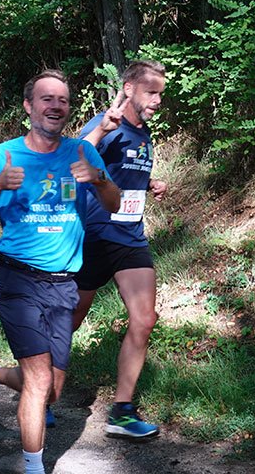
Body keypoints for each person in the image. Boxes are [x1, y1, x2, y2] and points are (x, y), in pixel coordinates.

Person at [0, 69, 121, 474]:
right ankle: (34, 467)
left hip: (64, 284)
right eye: (47, 99)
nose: (56, 106)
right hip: (18, 279)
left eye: (63, 100)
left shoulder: (81, 152)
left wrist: (99, 178)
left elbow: (114, 204)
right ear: (29, 106)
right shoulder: (3, 155)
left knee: (52, 388)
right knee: (38, 380)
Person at [73, 60, 167, 438]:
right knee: (70, 320)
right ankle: (37, 389)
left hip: (130, 238)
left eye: (160, 94)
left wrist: (149, 183)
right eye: (151, 92)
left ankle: (122, 412)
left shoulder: (144, 134)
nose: (157, 101)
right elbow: (74, 159)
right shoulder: (106, 124)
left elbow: (122, 174)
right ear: (129, 89)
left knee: (144, 319)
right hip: (94, 236)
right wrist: (101, 130)